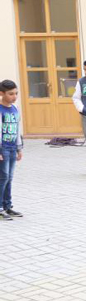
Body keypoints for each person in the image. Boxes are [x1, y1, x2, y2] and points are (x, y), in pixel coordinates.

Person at [0, 80, 24, 221]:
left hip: (12, 148)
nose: (14, 97)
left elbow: (17, 130)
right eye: (10, 94)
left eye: (16, 93)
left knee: (9, 178)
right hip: (2, 148)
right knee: (2, 179)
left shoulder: (15, 109)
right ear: (1, 93)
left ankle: (8, 206)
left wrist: (19, 148)